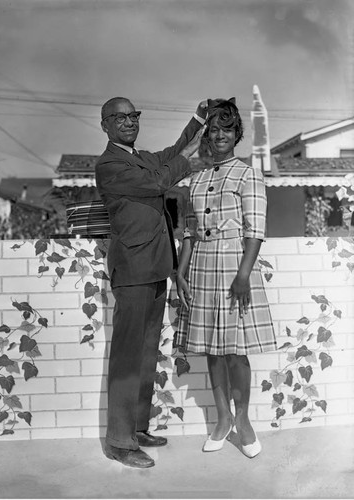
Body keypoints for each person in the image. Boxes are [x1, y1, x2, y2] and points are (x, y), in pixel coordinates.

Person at [95, 96, 207, 468]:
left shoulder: (139, 156)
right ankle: (119, 442)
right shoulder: (110, 164)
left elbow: (174, 152)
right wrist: (185, 161)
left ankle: (137, 428)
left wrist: (197, 120)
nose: (128, 121)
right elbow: (161, 178)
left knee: (145, 354)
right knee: (128, 358)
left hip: (156, 266)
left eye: (133, 116)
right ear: (105, 125)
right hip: (132, 269)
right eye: (119, 117)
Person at [176, 98, 277, 458]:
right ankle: (222, 420)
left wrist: (244, 274)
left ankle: (244, 421)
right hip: (202, 264)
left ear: (237, 134)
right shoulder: (196, 178)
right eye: (213, 129)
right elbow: (189, 231)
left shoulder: (248, 173)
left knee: (235, 352)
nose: (219, 135)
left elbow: (256, 230)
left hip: (235, 265)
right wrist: (180, 273)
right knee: (212, 352)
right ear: (207, 134)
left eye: (226, 129)